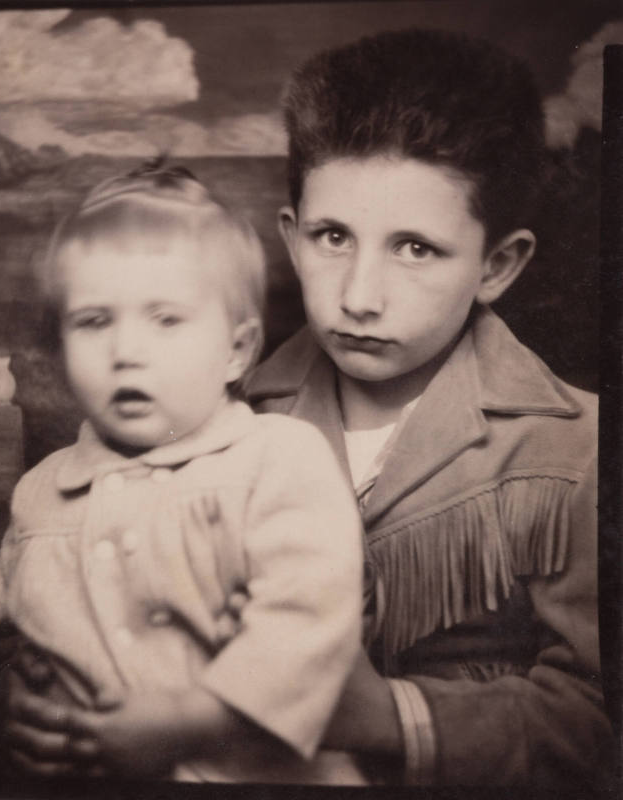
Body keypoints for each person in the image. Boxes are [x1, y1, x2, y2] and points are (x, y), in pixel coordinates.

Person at [0, 164, 366, 784]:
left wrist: (190, 717)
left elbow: (310, 618)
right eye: (95, 321)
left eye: (165, 319)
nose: (126, 351)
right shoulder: (46, 484)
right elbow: (27, 566)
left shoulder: (278, 460)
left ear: (236, 349)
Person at [241, 28, 612, 788]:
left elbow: (596, 722)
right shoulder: (235, 420)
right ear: (291, 235)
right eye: (333, 236)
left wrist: (386, 714)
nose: (358, 297)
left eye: (415, 248)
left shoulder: (576, 453)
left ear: (497, 266)